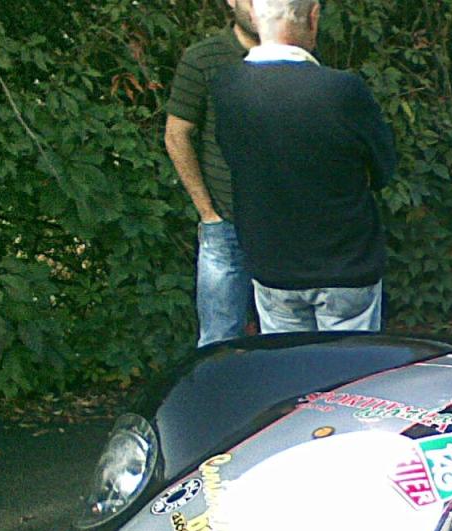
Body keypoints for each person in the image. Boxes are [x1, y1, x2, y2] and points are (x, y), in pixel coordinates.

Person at [212, 0, 397, 333]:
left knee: (290, 375)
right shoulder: (342, 90)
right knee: (347, 377)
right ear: (314, 17)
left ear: (254, 15)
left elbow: (234, 161)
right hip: (346, 264)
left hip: (273, 264)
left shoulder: (228, 87)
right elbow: (383, 168)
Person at [165, 0, 260, 347]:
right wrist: (209, 213)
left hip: (284, 226)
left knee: (292, 342)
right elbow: (177, 134)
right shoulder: (204, 57)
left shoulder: (296, 57)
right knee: (219, 343)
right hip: (226, 226)